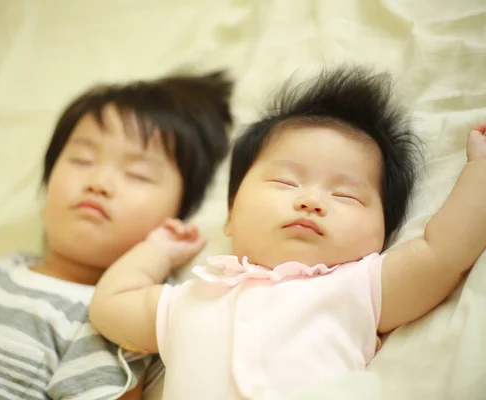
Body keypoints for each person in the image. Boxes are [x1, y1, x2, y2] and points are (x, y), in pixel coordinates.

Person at [89, 65, 486, 399]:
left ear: (381, 236)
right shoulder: (193, 297)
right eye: (285, 183)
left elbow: (443, 251)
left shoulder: (356, 289)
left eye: (346, 195)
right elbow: (109, 306)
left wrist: (480, 172)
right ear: (230, 215)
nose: (311, 201)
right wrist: (157, 250)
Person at [0, 71, 233, 400]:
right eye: (81, 159)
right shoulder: (4, 268)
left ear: (176, 218)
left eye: (137, 174)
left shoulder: (112, 318)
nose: (98, 182)